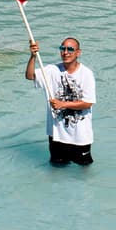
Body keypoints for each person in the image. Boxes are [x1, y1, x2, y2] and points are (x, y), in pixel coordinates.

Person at [25, 37, 96, 166]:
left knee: (85, 169)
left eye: (70, 49)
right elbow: (30, 76)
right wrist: (33, 56)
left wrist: (63, 104)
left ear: (78, 53)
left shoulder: (86, 74)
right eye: (63, 48)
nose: (66, 52)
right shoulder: (52, 70)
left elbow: (88, 102)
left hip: (80, 136)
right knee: (56, 168)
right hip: (57, 135)